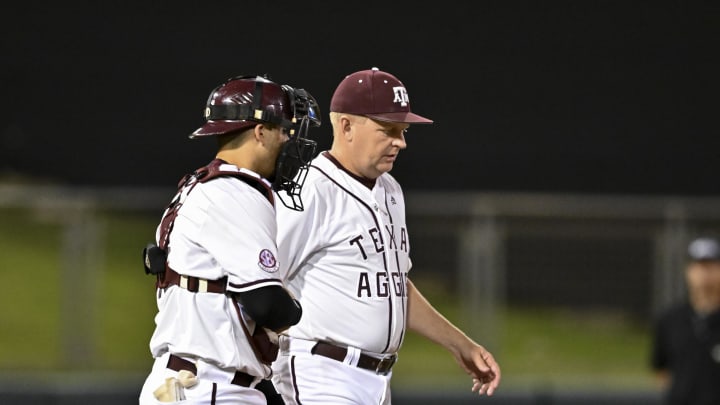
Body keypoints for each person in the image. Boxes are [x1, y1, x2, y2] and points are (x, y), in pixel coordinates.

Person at [270, 67, 501, 404]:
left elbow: (393, 283)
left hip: (376, 381)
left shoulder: (390, 190)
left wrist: (460, 343)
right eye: (388, 130)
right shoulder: (308, 191)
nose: (401, 142)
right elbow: (257, 282)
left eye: (403, 130)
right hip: (320, 372)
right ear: (346, 126)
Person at [138, 74, 321, 405]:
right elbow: (267, 303)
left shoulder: (200, 184)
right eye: (283, 129)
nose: (288, 139)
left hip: (187, 383)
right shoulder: (236, 192)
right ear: (260, 131)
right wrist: (295, 310)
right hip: (208, 386)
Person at [650, 236, 720, 405]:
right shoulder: (670, 319)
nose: (704, 273)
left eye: (711, 266)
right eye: (699, 266)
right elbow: (661, 369)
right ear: (688, 270)